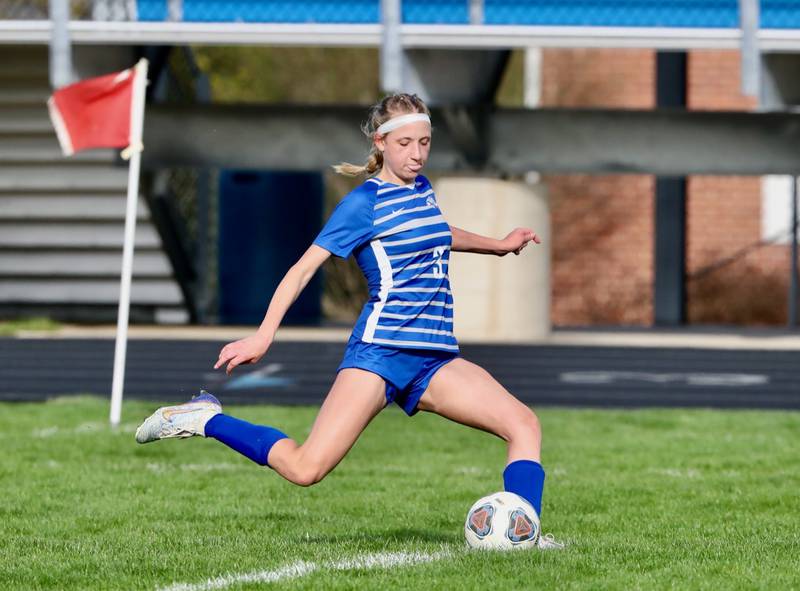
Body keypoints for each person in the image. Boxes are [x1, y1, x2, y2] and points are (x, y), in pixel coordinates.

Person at [135, 93, 563, 550]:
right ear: (381, 142)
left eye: (425, 142)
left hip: (433, 359)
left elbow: (437, 231)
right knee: (305, 468)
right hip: (379, 355)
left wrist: (496, 244)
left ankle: (524, 535)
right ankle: (206, 418)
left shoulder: (421, 189)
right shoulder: (362, 205)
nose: (417, 154)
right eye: (405, 144)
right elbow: (301, 269)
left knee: (523, 425)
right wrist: (264, 335)